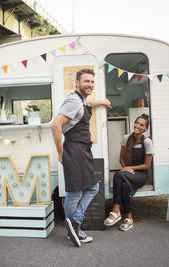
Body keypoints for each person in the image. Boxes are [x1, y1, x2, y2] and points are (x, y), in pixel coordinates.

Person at [51, 68, 111, 247]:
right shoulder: (73, 101)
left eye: (92, 82)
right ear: (77, 83)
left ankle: (73, 228)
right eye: (86, 81)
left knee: (89, 187)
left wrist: (102, 102)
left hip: (82, 150)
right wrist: (60, 152)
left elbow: (88, 102)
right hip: (74, 150)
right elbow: (55, 126)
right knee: (77, 192)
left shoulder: (81, 99)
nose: (90, 85)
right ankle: (75, 225)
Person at [103, 114, 153, 231]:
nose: (138, 126)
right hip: (128, 173)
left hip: (141, 175)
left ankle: (115, 210)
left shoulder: (147, 142)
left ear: (145, 129)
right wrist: (126, 168)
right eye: (137, 123)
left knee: (118, 175)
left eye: (142, 125)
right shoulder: (126, 138)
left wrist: (130, 169)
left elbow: (147, 165)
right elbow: (121, 158)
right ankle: (128, 219)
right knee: (124, 186)